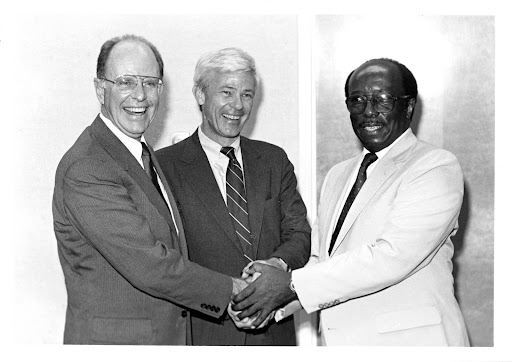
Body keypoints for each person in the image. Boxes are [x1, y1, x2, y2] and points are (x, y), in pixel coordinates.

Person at [233, 58, 470, 346]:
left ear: (407, 107)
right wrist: (265, 300)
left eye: (382, 100)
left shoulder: (435, 166)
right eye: (357, 100)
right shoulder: (339, 174)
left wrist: (290, 285)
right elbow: (322, 260)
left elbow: (392, 256)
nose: (368, 112)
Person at [52, 35, 248, 345]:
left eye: (151, 83)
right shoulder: (88, 166)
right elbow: (150, 265)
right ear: (101, 88)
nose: (140, 96)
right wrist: (233, 290)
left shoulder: (142, 154)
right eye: (126, 82)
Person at [156, 47, 311, 345]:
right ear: (200, 94)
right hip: (203, 334)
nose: (238, 105)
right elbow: (163, 258)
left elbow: (300, 234)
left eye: (247, 95)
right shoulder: (164, 166)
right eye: (227, 92)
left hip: (274, 334)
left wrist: (274, 269)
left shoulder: (273, 160)